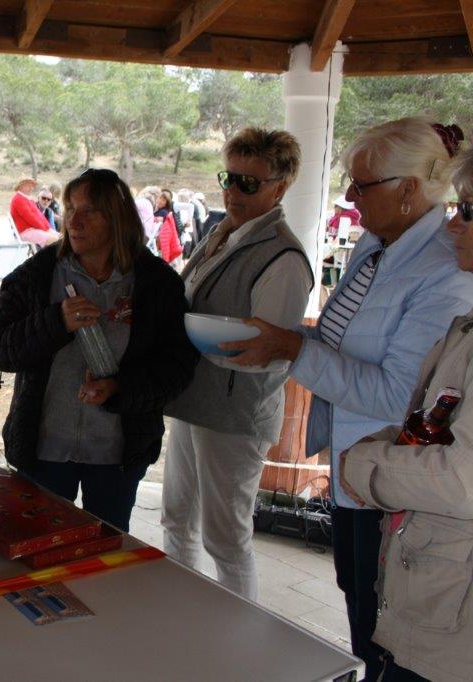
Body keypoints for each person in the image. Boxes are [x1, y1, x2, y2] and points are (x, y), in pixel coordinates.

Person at [223, 118, 473, 681]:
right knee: (359, 600)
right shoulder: (378, 246)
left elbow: (400, 397)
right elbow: (342, 342)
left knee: (384, 624)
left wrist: (291, 348)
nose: (350, 198)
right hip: (354, 471)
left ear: (408, 191)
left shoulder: (445, 274)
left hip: (390, 481)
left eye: (363, 186)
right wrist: (282, 338)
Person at [0, 168, 198, 531]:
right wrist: (56, 322)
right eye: (71, 209)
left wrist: (120, 388)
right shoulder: (37, 276)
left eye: (89, 211)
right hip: (43, 450)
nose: (73, 221)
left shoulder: (157, 285)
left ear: (118, 219)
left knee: (106, 554)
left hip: (118, 455)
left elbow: (177, 366)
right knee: (38, 547)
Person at [161, 128, 314, 601]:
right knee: (176, 520)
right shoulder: (221, 233)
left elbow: (268, 349)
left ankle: (239, 631)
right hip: (195, 399)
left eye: (249, 183)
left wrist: (195, 339)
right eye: (229, 178)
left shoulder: (283, 257)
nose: (233, 191)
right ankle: (181, 614)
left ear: (279, 188)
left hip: (235, 411)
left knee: (225, 538)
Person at [338, 147, 473, 682]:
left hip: (453, 616)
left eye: (469, 211)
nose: (455, 225)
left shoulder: (444, 282)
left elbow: (463, 478)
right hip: (437, 587)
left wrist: (364, 465)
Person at [10, 177, 58, 246]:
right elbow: (31, 218)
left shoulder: (28, 199)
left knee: (61, 237)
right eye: (28, 186)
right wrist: (45, 229)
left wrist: (48, 228)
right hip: (25, 232)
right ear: (21, 186)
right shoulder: (18, 199)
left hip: (33, 230)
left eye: (32, 186)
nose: (31, 188)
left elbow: (40, 215)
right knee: (56, 240)